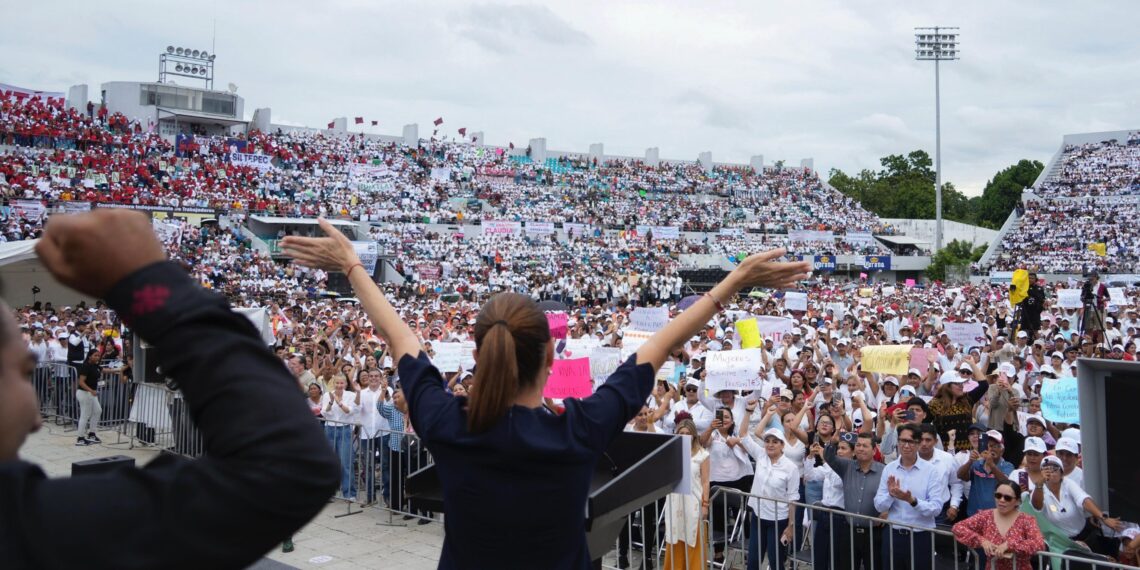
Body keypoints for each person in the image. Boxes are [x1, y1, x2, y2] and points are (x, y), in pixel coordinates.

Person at [281, 218, 812, 569]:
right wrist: (733, 281)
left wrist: (352, 264)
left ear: (480, 351)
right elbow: (656, 349)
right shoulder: (578, 429)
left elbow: (399, 336)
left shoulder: (447, 422)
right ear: (551, 358)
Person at [1, 209, 339, 568]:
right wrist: (148, 284)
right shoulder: (32, 532)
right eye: (23, 372)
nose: (38, 418)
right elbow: (288, 466)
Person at [874, 423, 948, 570]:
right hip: (893, 534)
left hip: (920, 536)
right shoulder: (889, 468)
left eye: (911, 441)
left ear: (918, 443)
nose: (906, 446)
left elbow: (936, 508)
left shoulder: (931, 471)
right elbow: (878, 505)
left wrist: (912, 501)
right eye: (902, 441)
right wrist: (891, 495)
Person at [1030, 455, 1122, 557]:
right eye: (1046, 469)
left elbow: (1083, 499)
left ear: (1062, 473)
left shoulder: (1068, 483)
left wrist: (1103, 518)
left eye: (1055, 469)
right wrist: (1039, 484)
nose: (1050, 472)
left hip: (1084, 536)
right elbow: (1037, 506)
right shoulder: (1039, 489)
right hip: (1061, 542)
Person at [740, 427, 800, 570]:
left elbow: (793, 499)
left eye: (775, 442)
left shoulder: (791, 468)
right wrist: (749, 410)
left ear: (782, 445)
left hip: (778, 520)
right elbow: (743, 435)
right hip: (758, 516)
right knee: (753, 560)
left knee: (775, 561)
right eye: (767, 441)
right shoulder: (761, 455)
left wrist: (790, 526)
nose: (770, 445)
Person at [825, 431, 885, 570]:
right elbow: (829, 457)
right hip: (849, 532)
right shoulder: (847, 466)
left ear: (874, 450)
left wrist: (888, 512)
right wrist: (833, 443)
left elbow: (892, 494)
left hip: (874, 533)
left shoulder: (884, 470)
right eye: (858, 445)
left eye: (865, 446)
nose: (860, 448)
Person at [952, 482, 1046, 570]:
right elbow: (958, 528)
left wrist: (1011, 545)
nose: (1002, 500)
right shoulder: (986, 516)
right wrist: (982, 541)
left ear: (1017, 501)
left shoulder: (1026, 520)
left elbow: (1039, 543)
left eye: (1007, 498)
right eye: (998, 496)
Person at [662, 417, 710, 569]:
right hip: (675, 501)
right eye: (681, 433)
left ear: (694, 435)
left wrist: (705, 504)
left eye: (687, 433)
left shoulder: (703, 454)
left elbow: (705, 481)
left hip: (694, 502)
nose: (684, 436)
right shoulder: (672, 453)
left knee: (693, 538)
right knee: (675, 538)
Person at [956, 430, 1014, 517]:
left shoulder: (1007, 466)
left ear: (1002, 450)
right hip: (974, 515)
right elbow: (960, 475)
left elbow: (1005, 483)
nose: (990, 449)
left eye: (994, 446)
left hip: (997, 517)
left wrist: (991, 464)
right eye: (988, 445)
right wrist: (970, 461)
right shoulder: (976, 463)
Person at [74, 349, 104, 446]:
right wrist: (91, 390)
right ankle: (80, 438)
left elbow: (104, 370)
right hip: (84, 393)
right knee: (85, 415)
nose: (97, 357)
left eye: (98, 356)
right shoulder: (85, 366)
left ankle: (92, 433)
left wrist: (121, 369)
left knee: (97, 411)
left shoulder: (95, 365)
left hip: (91, 394)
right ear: (90, 356)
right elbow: (81, 382)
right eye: (95, 355)